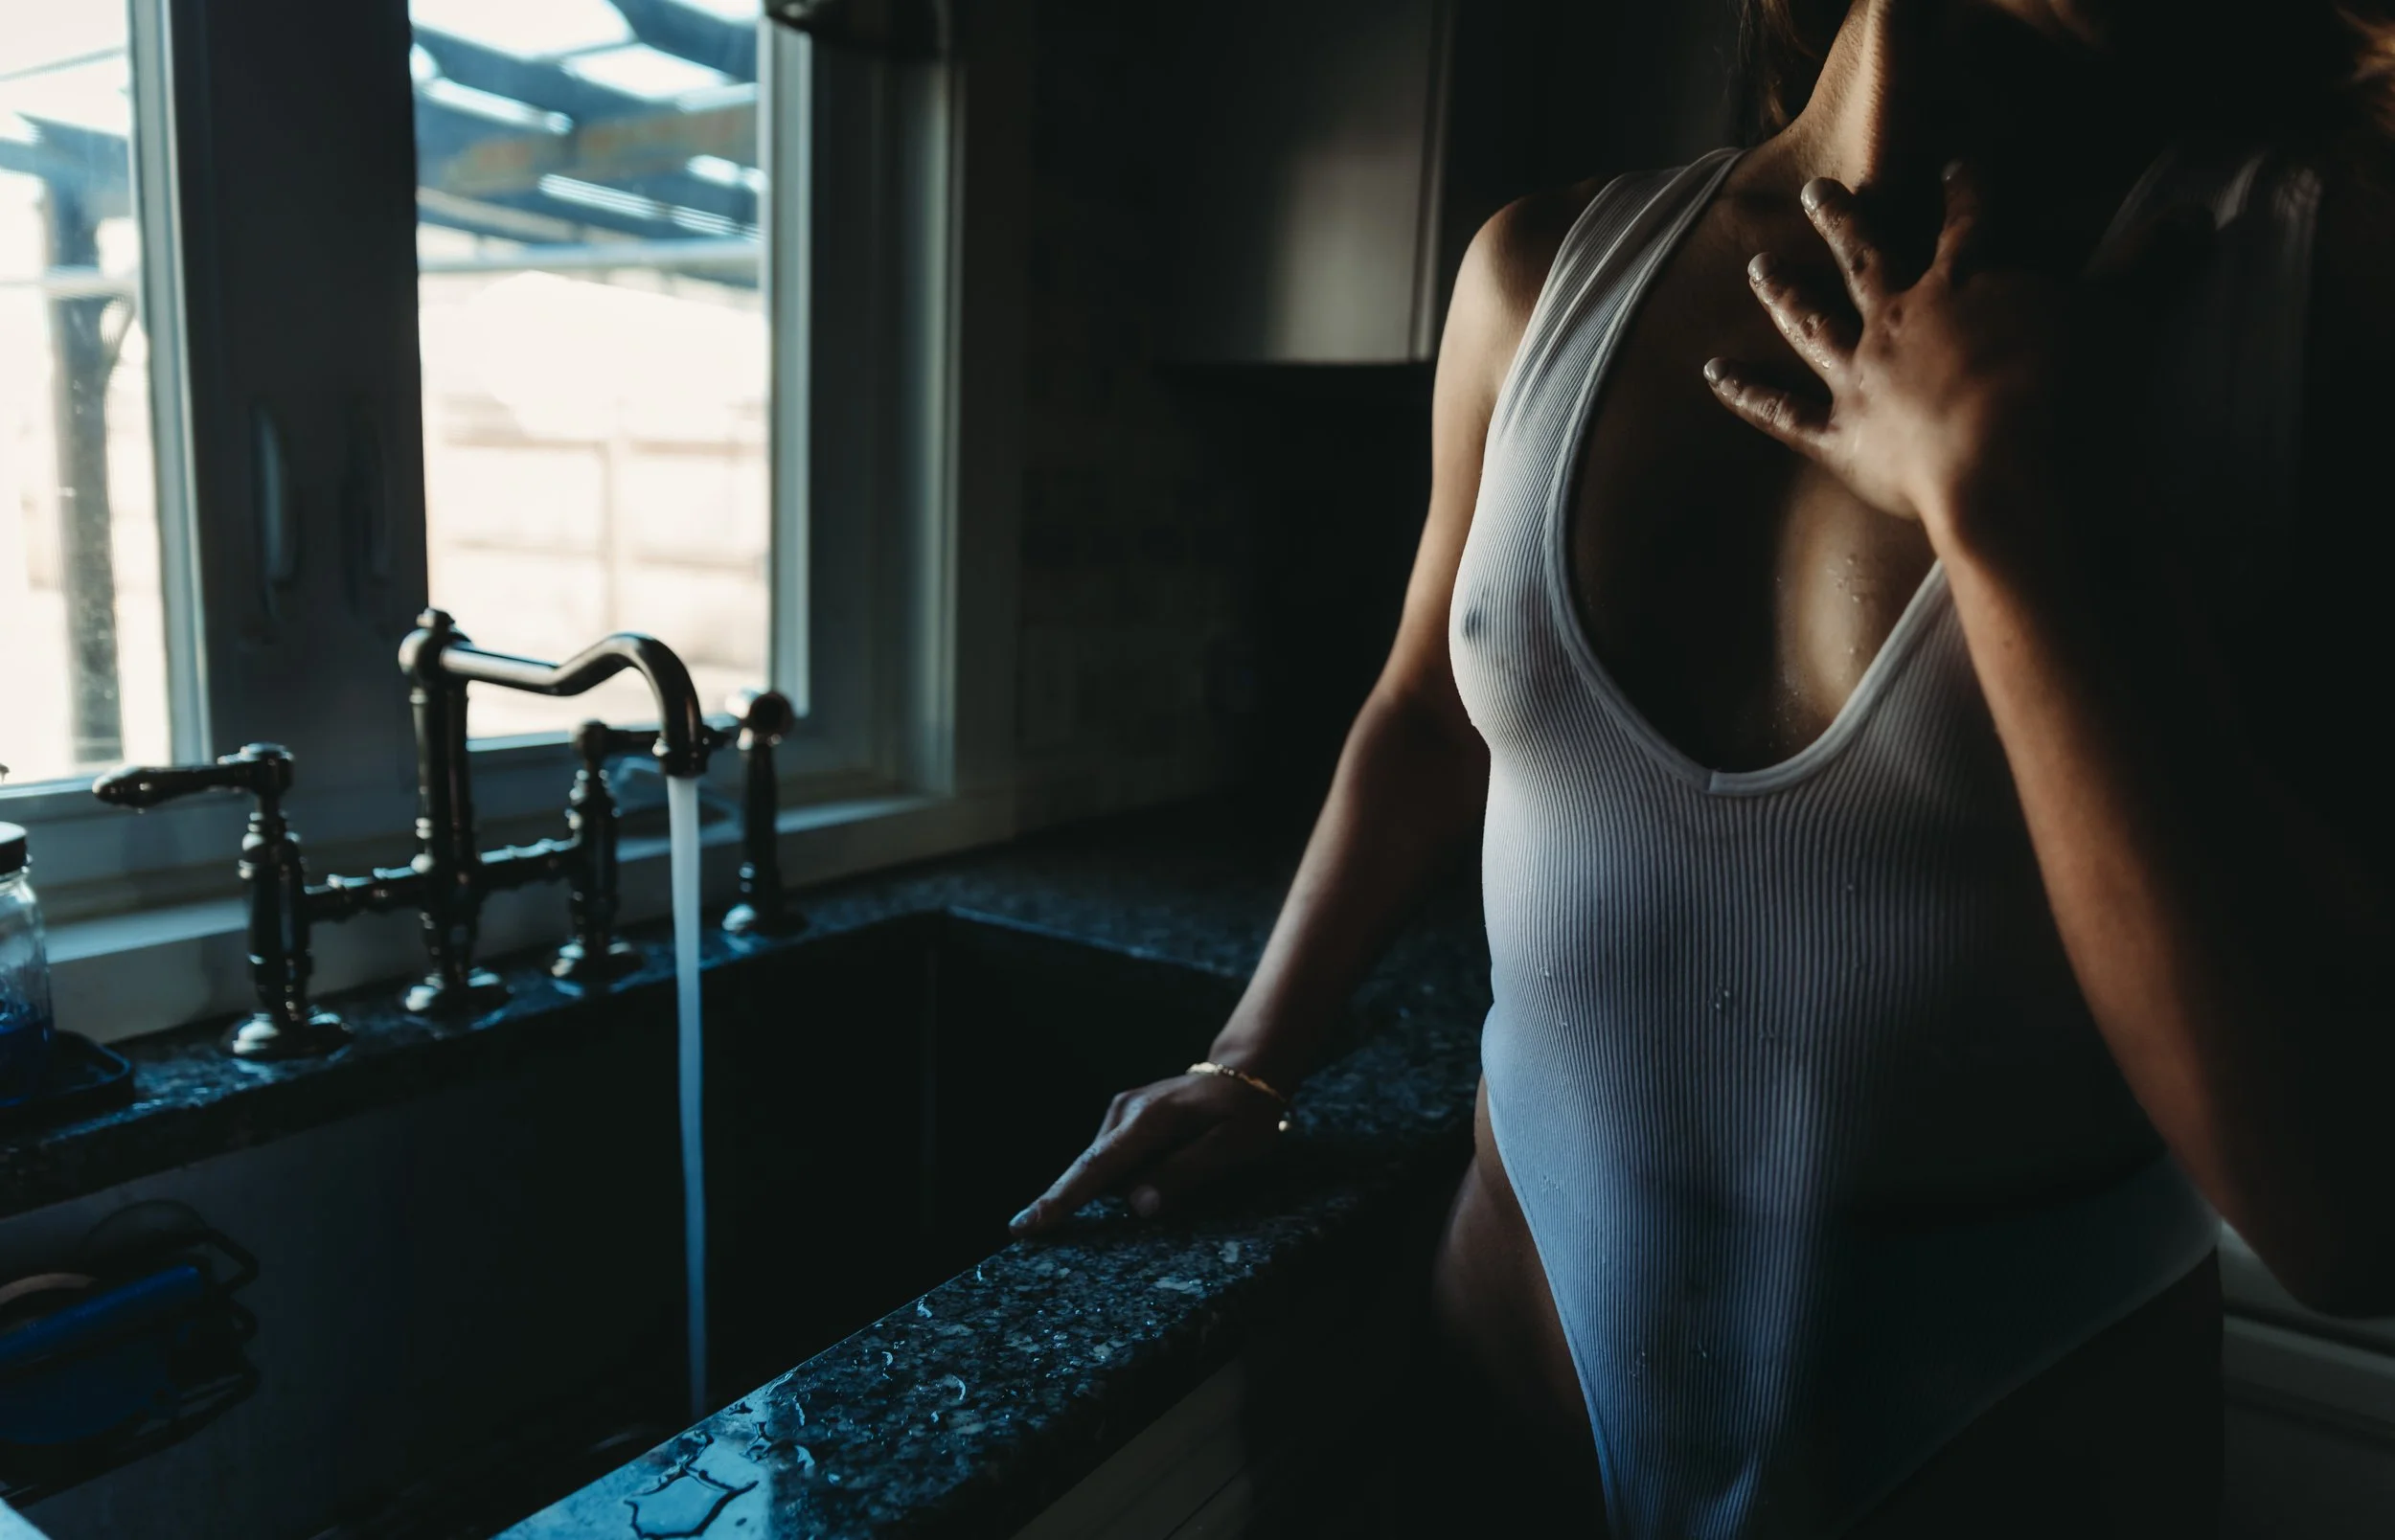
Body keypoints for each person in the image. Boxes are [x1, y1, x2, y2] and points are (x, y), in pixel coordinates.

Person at [1013, 1, 2395, 1532]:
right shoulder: (1539, 272)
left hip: (2005, 1409)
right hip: (1513, 1369)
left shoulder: (2305, 272)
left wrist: (2011, 508)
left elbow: (2335, 1217)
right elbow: (1425, 710)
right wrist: (1252, 1056)